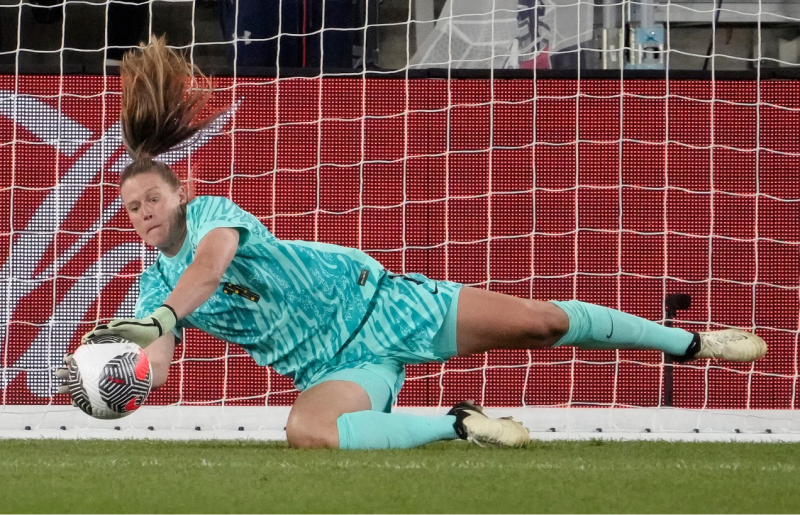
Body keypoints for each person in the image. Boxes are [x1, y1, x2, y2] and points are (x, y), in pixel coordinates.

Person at [58, 37, 767, 450]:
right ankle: (459, 424)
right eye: (129, 209)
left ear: (181, 191)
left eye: (151, 197)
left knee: (542, 320)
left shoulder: (212, 213)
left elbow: (210, 269)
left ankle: (696, 344)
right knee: (308, 431)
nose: (142, 213)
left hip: (386, 307)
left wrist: (165, 318)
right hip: (333, 364)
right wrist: (115, 380)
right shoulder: (152, 292)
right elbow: (156, 360)